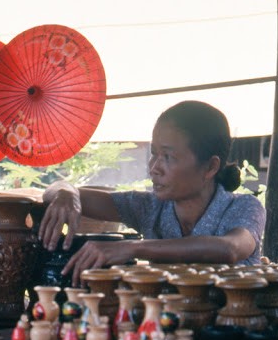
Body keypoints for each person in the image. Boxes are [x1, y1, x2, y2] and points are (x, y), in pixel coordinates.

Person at [38, 100, 266, 286]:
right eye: (154, 153)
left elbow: (230, 248)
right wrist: (66, 193)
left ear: (210, 167)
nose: (154, 167)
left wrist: (133, 248)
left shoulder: (244, 207)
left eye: (168, 157)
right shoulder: (150, 207)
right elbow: (52, 190)